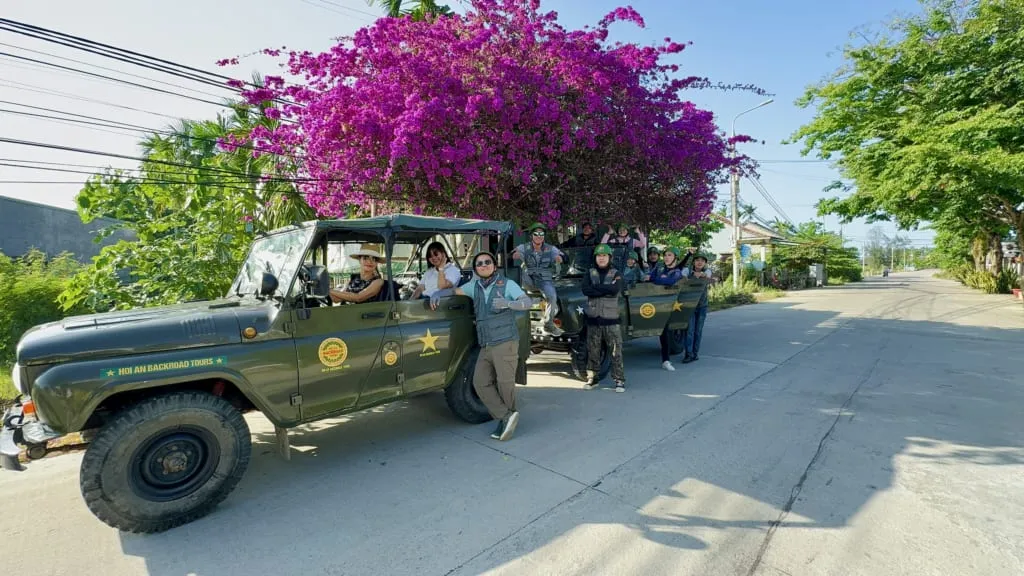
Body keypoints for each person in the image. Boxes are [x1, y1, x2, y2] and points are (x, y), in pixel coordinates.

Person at [430, 251, 537, 441]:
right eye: (480, 263)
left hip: (505, 341)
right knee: (480, 382)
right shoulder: (474, 286)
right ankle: (506, 415)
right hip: (486, 343)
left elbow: (527, 302)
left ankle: (507, 419)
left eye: (488, 262)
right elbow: (455, 291)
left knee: (505, 384)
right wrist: (438, 293)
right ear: (476, 269)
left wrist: (508, 303)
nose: (484, 265)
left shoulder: (507, 284)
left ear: (494, 266)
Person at [581, 244, 627, 392]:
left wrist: (596, 288)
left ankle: (619, 380)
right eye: (599, 256)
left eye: (604, 256)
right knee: (593, 350)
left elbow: (615, 290)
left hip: (611, 320)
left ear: (609, 257)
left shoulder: (616, 273)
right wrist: (604, 289)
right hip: (594, 319)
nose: (601, 258)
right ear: (595, 258)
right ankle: (592, 378)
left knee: (616, 351)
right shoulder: (589, 272)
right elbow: (585, 289)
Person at [512, 222, 564, 336]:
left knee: (552, 296)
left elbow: (561, 255)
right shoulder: (524, 247)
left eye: (541, 234)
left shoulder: (551, 249)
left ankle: (549, 324)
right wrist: (515, 254)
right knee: (517, 273)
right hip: (528, 278)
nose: (539, 236)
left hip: (544, 279)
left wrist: (559, 258)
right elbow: (514, 253)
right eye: (536, 233)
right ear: (532, 235)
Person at [651, 247, 685, 371]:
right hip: (655, 302)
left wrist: (656, 280)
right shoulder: (659, 268)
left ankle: (666, 360)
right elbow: (650, 276)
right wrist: (656, 279)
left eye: (669, 255)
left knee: (664, 332)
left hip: (668, 305)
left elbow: (670, 281)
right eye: (665, 255)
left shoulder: (676, 271)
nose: (666, 257)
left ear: (675, 258)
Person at [681, 253, 712, 363]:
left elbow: (707, 276)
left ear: (705, 263)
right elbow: (683, 277)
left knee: (698, 331)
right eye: (697, 260)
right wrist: (693, 274)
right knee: (689, 330)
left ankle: (695, 353)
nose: (699, 262)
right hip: (689, 305)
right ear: (693, 262)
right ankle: (688, 354)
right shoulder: (687, 271)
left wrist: (701, 274)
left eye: (702, 261)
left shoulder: (708, 271)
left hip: (702, 305)